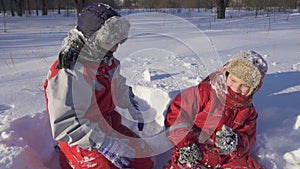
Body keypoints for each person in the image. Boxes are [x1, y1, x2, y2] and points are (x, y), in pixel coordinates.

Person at [44, 3, 154, 169]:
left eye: (118, 41)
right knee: (102, 166)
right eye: (111, 41)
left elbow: (118, 86)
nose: (116, 47)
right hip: (78, 135)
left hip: (106, 124)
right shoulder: (69, 72)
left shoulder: (107, 61)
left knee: (143, 159)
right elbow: (65, 124)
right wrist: (103, 143)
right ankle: (68, 159)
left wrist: (130, 102)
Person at [164, 50, 268, 169]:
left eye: (244, 85)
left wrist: (235, 142)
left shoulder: (248, 111)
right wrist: (185, 144)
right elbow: (177, 115)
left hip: (225, 157)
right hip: (195, 150)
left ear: (253, 89)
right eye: (233, 80)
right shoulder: (204, 93)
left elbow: (248, 137)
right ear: (226, 74)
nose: (236, 88)